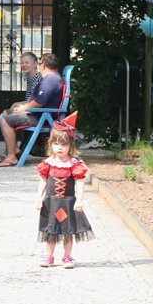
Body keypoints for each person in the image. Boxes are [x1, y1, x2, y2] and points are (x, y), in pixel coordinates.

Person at [35, 112, 93, 268]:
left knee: (68, 231)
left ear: (71, 146)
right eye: (56, 144)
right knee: (50, 231)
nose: (59, 147)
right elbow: (43, 182)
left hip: (67, 202)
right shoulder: (48, 163)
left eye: (64, 144)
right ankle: (49, 256)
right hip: (50, 202)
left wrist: (79, 200)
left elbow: (80, 183)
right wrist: (38, 198)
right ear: (51, 145)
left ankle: (67, 257)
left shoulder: (74, 165)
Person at [0, 52, 64, 167]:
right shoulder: (51, 78)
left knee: (5, 118)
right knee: (6, 113)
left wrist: (24, 107)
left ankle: (11, 156)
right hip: (39, 114)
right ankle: (14, 150)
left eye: (40, 63)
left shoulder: (50, 80)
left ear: (44, 65)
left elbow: (39, 102)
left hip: (42, 116)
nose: (39, 66)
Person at [0, 52, 42, 162]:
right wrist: (20, 103)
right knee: (9, 110)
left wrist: (23, 105)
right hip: (30, 110)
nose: (24, 65)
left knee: (4, 117)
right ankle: (10, 150)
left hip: (36, 114)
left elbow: (37, 101)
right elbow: (31, 99)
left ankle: (12, 152)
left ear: (35, 64)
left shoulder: (38, 79)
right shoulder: (29, 77)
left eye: (27, 62)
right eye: (22, 63)